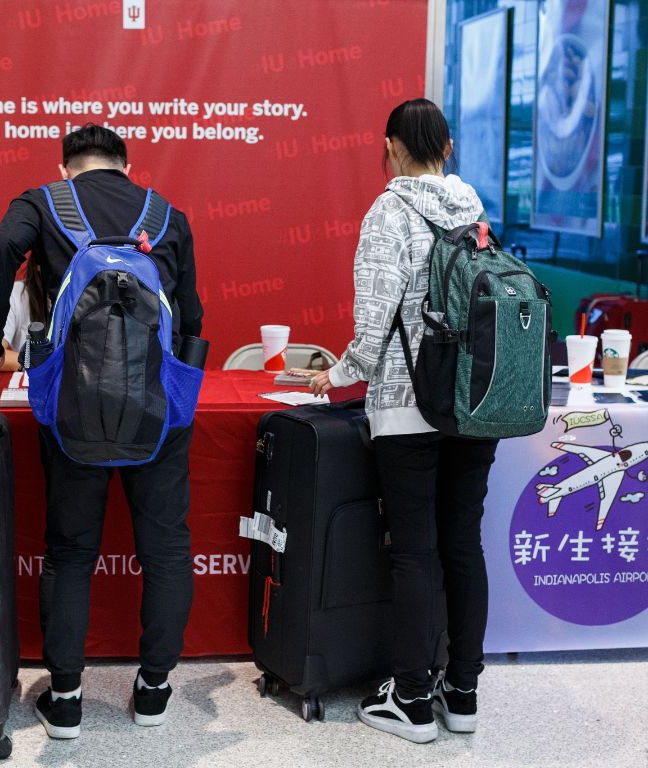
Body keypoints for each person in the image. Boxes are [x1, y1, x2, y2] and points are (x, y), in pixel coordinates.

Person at [0, 124, 203, 738]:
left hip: (71, 406)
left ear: (66, 166)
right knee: (167, 549)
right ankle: (152, 692)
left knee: (71, 551)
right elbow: (194, 320)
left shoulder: (43, 201)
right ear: (126, 165)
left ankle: (65, 700)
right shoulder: (167, 214)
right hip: (158, 409)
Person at [310, 99, 499, 744]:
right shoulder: (475, 212)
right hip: (475, 403)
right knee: (463, 544)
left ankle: (413, 699)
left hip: (409, 400)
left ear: (390, 147)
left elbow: (374, 320)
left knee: (414, 550)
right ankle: (462, 693)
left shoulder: (388, 212)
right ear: (447, 148)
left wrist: (334, 375)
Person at [1, 253, 46, 371]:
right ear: (38, 265)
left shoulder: (85, 295)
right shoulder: (16, 294)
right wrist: (41, 366)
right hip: (33, 382)